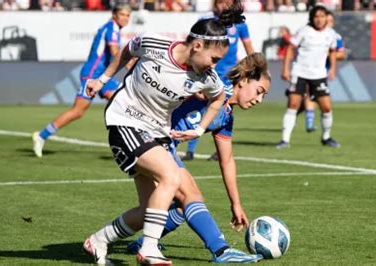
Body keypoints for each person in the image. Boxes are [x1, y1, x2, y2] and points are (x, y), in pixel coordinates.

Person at [82, 8, 247, 265]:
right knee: (171, 176)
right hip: (125, 121)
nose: (215, 66)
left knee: (149, 211)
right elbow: (128, 49)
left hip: (156, 133)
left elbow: (219, 98)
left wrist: (200, 128)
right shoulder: (153, 42)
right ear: (197, 45)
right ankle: (148, 249)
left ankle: (98, 240)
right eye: (213, 59)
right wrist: (102, 80)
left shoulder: (207, 78)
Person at [126, 53, 270, 262]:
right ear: (245, 80)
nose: (259, 100)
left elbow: (227, 161)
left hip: (163, 145)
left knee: (181, 207)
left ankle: (137, 243)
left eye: (263, 96)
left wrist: (236, 204)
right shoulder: (217, 88)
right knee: (191, 195)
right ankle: (221, 250)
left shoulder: (226, 117)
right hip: (147, 137)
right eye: (259, 91)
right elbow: (191, 78)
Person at [32, 4, 132, 158]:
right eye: (122, 14)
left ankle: (128, 145)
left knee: (123, 102)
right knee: (78, 111)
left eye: (127, 15)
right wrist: (131, 65)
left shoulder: (113, 29)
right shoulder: (111, 28)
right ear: (114, 15)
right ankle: (41, 136)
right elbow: (114, 52)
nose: (125, 18)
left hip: (103, 75)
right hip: (92, 75)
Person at [182, 0, 254, 162]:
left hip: (229, 77)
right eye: (221, 2)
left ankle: (219, 151)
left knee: (225, 112)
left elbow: (249, 48)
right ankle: (190, 149)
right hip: (207, 74)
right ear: (215, 4)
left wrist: (255, 68)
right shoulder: (207, 22)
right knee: (197, 107)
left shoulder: (240, 24)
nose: (225, 6)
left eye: (229, 2)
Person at [276, 5, 340, 149]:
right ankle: (284, 140)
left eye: (322, 16)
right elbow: (290, 48)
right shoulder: (303, 31)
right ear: (312, 18)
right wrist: (285, 68)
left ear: (326, 18)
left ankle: (326, 137)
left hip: (319, 75)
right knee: (293, 105)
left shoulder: (331, 34)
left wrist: (333, 70)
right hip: (300, 73)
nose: (319, 19)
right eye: (316, 16)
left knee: (326, 107)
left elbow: (332, 51)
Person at [297, 10, 346, 134]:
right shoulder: (309, 33)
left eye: (329, 21)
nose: (326, 22)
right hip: (307, 69)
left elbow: (341, 54)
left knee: (317, 99)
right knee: (309, 94)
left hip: (322, 71)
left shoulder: (335, 36)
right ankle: (309, 122)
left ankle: (298, 112)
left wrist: (326, 52)